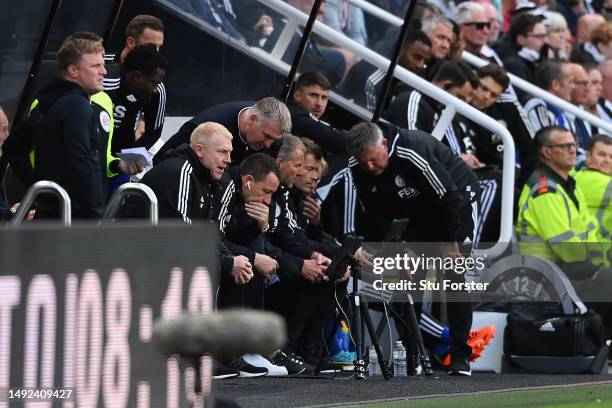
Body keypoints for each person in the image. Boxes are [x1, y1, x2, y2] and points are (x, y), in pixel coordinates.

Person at [346, 122, 480, 376]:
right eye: (364, 163)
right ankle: (412, 354)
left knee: (453, 275)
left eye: (374, 160)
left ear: (384, 144)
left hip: (455, 200)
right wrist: (400, 248)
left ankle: (461, 355)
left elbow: (449, 198)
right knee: (407, 278)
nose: (370, 168)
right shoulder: (357, 166)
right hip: (413, 209)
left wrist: (447, 242)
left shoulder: (411, 151)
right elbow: (373, 215)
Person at [4, 32, 107, 219]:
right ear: (73, 70)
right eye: (96, 66)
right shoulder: (75, 106)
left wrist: (40, 188)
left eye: (103, 64)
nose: (104, 72)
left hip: (51, 215)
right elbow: (83, 162)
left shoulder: (48, 102)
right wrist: (95, 215)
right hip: (74, 221)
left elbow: (13, 146)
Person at [516, 126, 608, 278]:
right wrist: (595, 256)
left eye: (574, 145)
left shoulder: (571, 184)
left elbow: (590, 227)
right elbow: (568, 250)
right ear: (546, 152)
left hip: (576, 267)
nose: (573, 150)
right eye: (565, 146)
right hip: (547, 276)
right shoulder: (544, 191)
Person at [154, 97, 291, 165]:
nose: (268, 144)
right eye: (266, 136)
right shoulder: (205, 126)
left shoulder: (273, 137)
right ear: (251, 120)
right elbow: (162, 158)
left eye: (273, 139)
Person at [104, 15, 167, 151]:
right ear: (131, 42)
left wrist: (130, 158)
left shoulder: (156, 86)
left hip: (119, 161)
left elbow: (153, 133)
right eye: (151, 46)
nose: (156, 53)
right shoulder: (99, 66)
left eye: (159, 47)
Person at [342, 29, 432, 111]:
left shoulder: (399, 73)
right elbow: (368, 124)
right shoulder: (373, 81)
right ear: (401, 50)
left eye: (425, 61)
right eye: (417, 57)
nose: (420, 65)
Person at [289, 71, 346, 153]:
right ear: (297, 96)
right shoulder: (293, 115)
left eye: (324, 98)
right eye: (313, 96)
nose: (319, 103)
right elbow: (339, 140)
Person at [502, 13, 548, 103]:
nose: (545, 41)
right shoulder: (514, 65)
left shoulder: (538, 60)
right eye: (539, 36)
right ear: (521, 39)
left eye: (545, 36)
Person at [574, 134, 612, 241]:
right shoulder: (603, 182)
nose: (607, 160)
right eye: (601, 155)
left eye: (611, 157)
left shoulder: (577, 172)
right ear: (588, 155)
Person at [524, 61, 576, 132]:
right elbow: (547, 141)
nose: (573, 87)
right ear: (555, 85)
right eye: (570, 82)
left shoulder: (561, 110)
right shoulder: (537, 106)